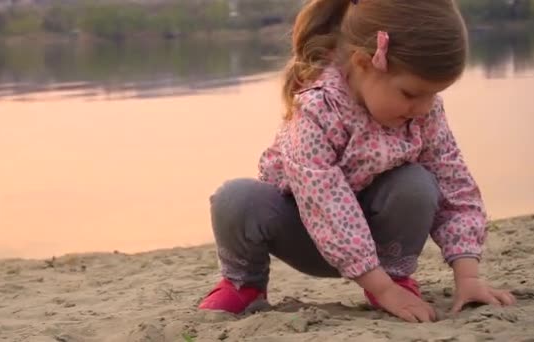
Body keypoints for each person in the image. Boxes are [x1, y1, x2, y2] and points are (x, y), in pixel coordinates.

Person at [198, 0, 516, 323]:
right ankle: (244, 284)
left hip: (382, 241)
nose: (423, 108)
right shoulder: (317, 110)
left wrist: (468, 277)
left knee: (417, 183)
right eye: (410, 94)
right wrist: (382, 290)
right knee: (235, 199)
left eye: (432, 95)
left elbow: (455, 186)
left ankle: (395, 276)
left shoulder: (424, 114)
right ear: (364, 63)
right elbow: (326, 205)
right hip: (307, 231)